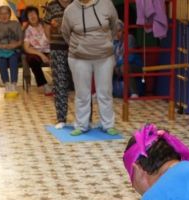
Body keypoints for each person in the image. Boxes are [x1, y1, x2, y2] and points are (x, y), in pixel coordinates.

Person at [61, 0, 119, 136]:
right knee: (82, 93)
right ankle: (81, 125)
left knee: (105, 92)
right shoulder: (70, 10)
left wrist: (105, 43)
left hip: (105, 57)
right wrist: (80, 47)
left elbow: (114, 25)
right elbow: (65, 33)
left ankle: (108, 125)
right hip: (78, 57)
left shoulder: (106, 4)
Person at [43, 0, 73, 128]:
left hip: (77, 49)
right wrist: (52, 41)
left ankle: (85, 119)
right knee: (59, 83)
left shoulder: (77, 3)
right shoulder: (52, 5)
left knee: (82, 84)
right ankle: (61, 119)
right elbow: (46, 26)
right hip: (57, 48)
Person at [0, 5, 23, 97]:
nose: (4, 15)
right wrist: (0, 45)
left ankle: (13, 83)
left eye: (6, 13)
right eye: (1, 13)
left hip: (13, 50)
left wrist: (15, 44)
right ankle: (6, 84)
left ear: (10, 14)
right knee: (2, 59)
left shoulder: (16, 24)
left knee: (13, 57)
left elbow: (21, 40)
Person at [22, 6, 52, 95]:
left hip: (49, 50)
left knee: (59, 57)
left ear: (38, 15)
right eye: (29, 15)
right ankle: (45, 85)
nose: (32, 16)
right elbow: (26, 48)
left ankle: (62, 84)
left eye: (34, 13)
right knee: (32, 60)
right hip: (36, 52)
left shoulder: (45, 25)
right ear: (27, 18)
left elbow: (51, 39)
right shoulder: (27, 30)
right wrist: (41, 55)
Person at [113, 19, 142, 98]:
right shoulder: (116, 42)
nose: (117, 34)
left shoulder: (129, 38)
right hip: (119, 65)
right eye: (115, 31)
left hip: (134, 65)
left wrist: (116, 63)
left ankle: (134, 93)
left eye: (119, 31)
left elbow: (130, 57)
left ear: (123, 30)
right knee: (107, 69)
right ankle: (103, 93)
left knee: (124, 67)